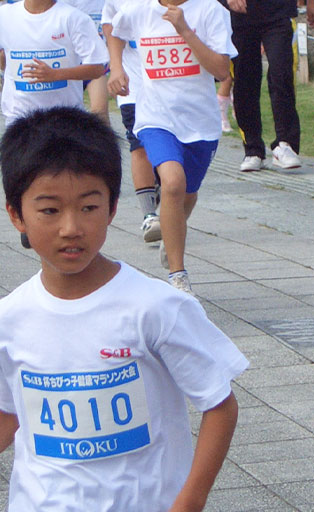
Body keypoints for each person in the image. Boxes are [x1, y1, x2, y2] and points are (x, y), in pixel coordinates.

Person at [0, 106, 247, 512]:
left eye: (89, 207)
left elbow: (219, 403)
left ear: (113, 207)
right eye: (49, 209)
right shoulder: (11, 320)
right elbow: (8, 416)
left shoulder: (155, 307)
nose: (71, 227)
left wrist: (188, 507)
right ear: (17, 215)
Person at [108, 0, 238, 294]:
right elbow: (114, 31)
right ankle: (178, 276)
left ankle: (171, 234)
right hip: (156, 118)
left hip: (200, 123)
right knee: (173, 183)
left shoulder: (210, 10)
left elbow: (220, 69)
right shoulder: (140, 9)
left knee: (186, 195)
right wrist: (117, 69)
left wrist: (185, 31)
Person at [227, 0, 314, 173]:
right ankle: (253, 149)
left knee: (281, 73)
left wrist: (310, 3)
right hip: (240, 14)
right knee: (244, 81)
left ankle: (285, 144)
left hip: (278, 11)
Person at [102, 0, 161, 244]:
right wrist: (116, 68)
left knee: (170, 156)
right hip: (134, 86)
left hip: (168, 86)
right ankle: (149, 215)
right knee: (139, 146)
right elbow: (109, 25)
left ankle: (160, 190)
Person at [0, 0, 106, 124]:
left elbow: (97, 68)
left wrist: (55, 75)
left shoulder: (73, 18)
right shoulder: (5, 15)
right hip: (19, 118)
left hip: (65, 117)